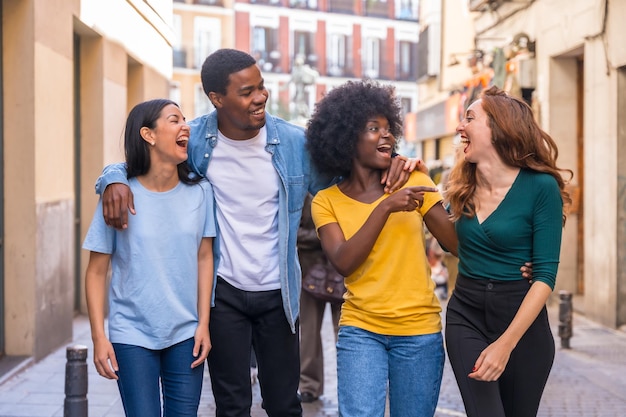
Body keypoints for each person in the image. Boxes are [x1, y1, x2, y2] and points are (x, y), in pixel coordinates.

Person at [93, 49, 416, 417]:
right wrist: (113, 179)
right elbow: (141, 160)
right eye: (247, 92)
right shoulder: (195, 139)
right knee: (232, 406)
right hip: (223, 293)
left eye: (261, 87)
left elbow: (352, 178)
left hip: (279, 293)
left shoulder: (295, 144)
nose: (260, 96)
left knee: (284, 404)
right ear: (217, 99)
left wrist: (395, 161)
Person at [305, 79, 459, 417]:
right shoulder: (326, 202)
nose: (386, 135)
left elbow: (454, 244)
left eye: (389, 128)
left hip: (419, 332)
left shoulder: (415, 180)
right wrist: (387, 207)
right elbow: (345, 261)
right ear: (346, 138)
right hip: (362, 331)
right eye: (373, 128)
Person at [443, 86, 572, 417]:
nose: (460, 126)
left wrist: (505, 344)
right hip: (466, 315)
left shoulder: (540, 188)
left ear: (498, 128)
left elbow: (544, 277)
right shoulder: (461, 187)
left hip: (523, 327)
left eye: (470, 118)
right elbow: (455, 242)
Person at [83, 99, 215, 416]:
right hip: (132, 335)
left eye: (185, 119)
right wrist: (99, 338)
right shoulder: (118, 195)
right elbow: (96, 272)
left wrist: (204, 325)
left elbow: (204, 257)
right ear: (148, 134)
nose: (186, 126)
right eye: (174, 120)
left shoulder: (201, 192)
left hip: (186, 335)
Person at [298, 193, 342, 403]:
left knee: (346, 332)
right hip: (308, 272)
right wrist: (326, 233)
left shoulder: (346, 187)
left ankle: (351, 382)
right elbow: (291, 230)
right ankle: (309, 386)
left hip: (342, 270)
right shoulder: (305, 193)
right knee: (308, 332)